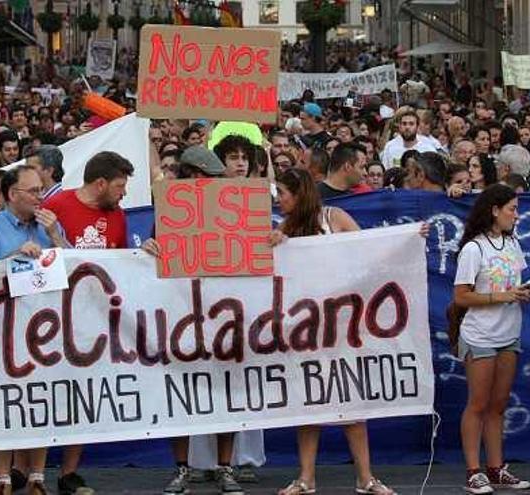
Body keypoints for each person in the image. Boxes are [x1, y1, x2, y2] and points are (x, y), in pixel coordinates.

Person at [270, 168, 395, 495]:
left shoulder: (335, 216)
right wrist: (276, 245)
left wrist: (409, 238)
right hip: (304, 331)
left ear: (298, 193)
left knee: (352, 402)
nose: (278, 200)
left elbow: (369, 251)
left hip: (341, 326)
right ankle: (306, 479)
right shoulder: (283, 228)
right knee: (309, 404)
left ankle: (366, 478)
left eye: (282, 193)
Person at [142, 146, 248, 495]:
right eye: (204, 177)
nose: (209, 184)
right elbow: (154, 249)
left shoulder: (235, 208)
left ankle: (225, 467)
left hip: (222, 313)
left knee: (226, 392)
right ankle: (183, 468)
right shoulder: (170, 210)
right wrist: (148, 249)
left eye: (213, 178)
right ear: (190, 175)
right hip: (180, 314)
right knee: (180, 393)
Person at [0, 165, 68, 495]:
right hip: (0, 328)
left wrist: (56, 237)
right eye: (34, 191)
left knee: (40, 401)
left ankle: (37, 477)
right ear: (13, 195)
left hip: (43, 327)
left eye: (42, 189)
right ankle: (3, 479)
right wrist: (12, 258)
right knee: (3, 403)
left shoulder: (48, 224)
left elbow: (75, 267)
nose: (41, 197)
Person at [41, 151, 134, 494]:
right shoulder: (58, 205)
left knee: (83, 397)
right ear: (100, 183)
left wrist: (145, 254)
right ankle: (25, 471)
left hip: (94, 323)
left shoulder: (119, 217)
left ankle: (68, 473)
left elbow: (124, 263)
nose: (124, 193)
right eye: (120, 186)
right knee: (43, 394)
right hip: (51, 319)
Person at [453, 184, 530, 494]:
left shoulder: (513, 243)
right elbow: (461, 297)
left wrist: (522, 293)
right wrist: (503, 296)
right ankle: (474, 471)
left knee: (498, 405)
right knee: (478, 404)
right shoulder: (474, 249)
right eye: (512, 208)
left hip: (509, 333)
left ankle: (496, 468)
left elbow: (514, 285)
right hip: (481, 335)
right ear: (495, 210)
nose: (516, 214)